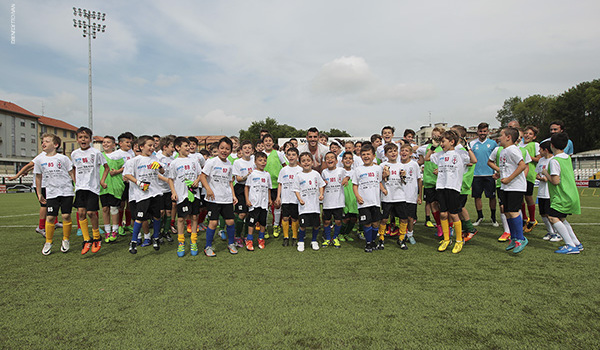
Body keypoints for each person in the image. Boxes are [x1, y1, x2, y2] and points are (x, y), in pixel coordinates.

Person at [425, 130, 476, 253]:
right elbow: (427, 158)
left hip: (453, 188)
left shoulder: (459, 154)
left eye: (443, 141)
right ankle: (447, 239)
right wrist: (433, 147)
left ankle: (459, 241)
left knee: (453, 214)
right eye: (440, 141)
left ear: (452, 142)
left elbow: (474, 160)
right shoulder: (439, 154)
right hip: (441, 187)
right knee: (443, 214)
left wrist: (467, 148)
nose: (441, 144)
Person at [123, 135, 167, 254]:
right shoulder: (134, 161)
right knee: (140, 217)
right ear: (141, 147)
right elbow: (127, 175)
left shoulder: (155, 158)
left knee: (157, 216)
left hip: (156, 192)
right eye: (149, 145)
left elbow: (162, 171)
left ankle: (156, 237)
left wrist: (160, 167)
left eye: (153, 145)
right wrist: (139, 183)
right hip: (142, 195)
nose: (152, 148)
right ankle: (133, 242)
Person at [541, 132, 583, 254]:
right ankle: (576, 243)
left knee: (553, 218)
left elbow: (555, 181)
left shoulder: (554, 161)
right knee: (562, 219)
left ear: (552, 145)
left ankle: (570, 245)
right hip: (570, 194)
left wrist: (545, 173)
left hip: (561, 195)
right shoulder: (567, 157)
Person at [34, 134, 75, 256]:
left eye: (47, 141)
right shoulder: (39, 160)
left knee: (66, 215)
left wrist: (77, 185)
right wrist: (39, 193)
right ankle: (48, 242)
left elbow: (71, 172)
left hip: (66, 191)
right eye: (42, 141)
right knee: (50, 217)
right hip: (51, 192)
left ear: (55, 145)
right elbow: (38, 177)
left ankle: (66, 239)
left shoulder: (63, 158)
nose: (43, 143)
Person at [71, 127, 109, 255]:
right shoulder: (74, 154)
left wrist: (102, 181)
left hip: (92, 187)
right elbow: (73, 169)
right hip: (80, 188)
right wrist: (75, 180)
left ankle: (97, 237)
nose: (83, 140)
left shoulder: (96, 153)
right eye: (81, 137)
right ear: (77, 139)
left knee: (91, 213)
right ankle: (86, 239)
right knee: (81, 213)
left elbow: (106, 167)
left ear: (90, 140)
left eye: (86, 137)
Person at [199, 137, 238, 257]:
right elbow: (202, 177)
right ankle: (208, 247)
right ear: (218, 149)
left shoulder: (230, 164)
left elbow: (230, 181)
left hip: (226, 198)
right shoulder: (211, 162)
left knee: (230, 221)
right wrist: (209, 190)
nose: (224, 151)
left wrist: (233, 195)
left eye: (227, 149)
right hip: (213, 199)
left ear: (231, 151)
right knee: (213, 223)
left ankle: (231, 243)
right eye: (222, 148)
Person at [494, 127, 528, 254]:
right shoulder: (503, 151)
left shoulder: (513, 150)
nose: (499, 137)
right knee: (507, 211)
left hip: (515, 186)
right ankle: (513, 237)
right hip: (506, 186)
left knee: (513, 212)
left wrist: (509, 178)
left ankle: (521, 238)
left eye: (501, 135)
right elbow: (507, 167)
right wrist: (500, 175)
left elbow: (522, 165)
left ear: (508, 137)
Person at [167, 137, 202, 257]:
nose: (188, 148)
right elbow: (170, 179)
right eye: (186, 146)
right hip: (182, 195)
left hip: (194, 194)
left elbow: (200, 174)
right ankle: (181, 243)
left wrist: (197, 181)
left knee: (194, 217)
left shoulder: (194, 161)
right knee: (181, 219)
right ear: (177, 147)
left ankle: (193, 241)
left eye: (189, 145)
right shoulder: (174, 163)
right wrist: (173, 192)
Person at [352, 143, 385, 253]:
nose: (366, 156)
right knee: (367, 223)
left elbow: (379, 181)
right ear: (361, 156)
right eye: (364, 154)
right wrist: (357, 196)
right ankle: (368, 243)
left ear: (373, 156)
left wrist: (383, 189)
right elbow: (355, 185)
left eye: (368, 154)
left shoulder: (378, 168)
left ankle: (372, 241)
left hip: (375, 201)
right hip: (363, 202)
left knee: (375, 223)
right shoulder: (358, 170)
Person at [294, 152, 325, 252]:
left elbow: (321, 185)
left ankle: (314, 240)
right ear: (299, 163)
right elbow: (296, 189)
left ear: (312, 162)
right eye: (303, 161)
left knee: (316, 225)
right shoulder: (298, 176)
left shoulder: (316, 174)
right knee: (303, 225)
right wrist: (300, 199)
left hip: (315, 206)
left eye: (308, 160)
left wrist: (321, 194)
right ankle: (301, 241)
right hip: (304, 207)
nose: (306, 163)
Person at [469, 122, 498, 227]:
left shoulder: (493, 144)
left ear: (488, 132)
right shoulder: (472, 144)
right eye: (481, 131)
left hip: (489, 174)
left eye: (484, 131)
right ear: (477, 131)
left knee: (492, 197)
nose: (482, 133)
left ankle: (493, 218)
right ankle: (479, 216)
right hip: (476, 174)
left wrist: (496, 172)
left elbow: (496, 158)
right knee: (477, 197)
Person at [99, 135, 125, 243]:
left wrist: (117, 172)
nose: (105, 144)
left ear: (114, 145)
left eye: (108, 142)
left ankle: (114, 230)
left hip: (115, 186)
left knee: (114, 209)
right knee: (105, 209)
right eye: (104, 142)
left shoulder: (118, 156)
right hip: (103, 186)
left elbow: (125, 166)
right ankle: (107, 231)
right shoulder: (100, 156)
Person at [244, 152, 272, 250]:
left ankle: (261, 239)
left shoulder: (267, 174)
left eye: (264, 160)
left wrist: (269, 199)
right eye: (260, 160)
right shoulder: (252, 174)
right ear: (255, 161)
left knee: (263, 222)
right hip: (254, 203)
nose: (263, 162)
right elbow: (246, 187)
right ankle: (249, 240)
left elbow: (268, 188)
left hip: (263, 204)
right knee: (252, 222)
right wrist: (247, 199)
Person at [535, 141, 561, 242]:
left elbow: (554, 177)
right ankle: (551, 232)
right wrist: (539, 177)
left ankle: (558, 233)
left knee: (551, 215)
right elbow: (537, 173)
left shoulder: (553, 160)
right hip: (541, 192)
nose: (539, 151)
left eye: (540, 149)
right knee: (543, 214)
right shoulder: (541, 160)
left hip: (550, 192)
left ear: (545, 150)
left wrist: (546, 178)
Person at [380, 143, 404, 250]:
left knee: (403, 218)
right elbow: (378, 181)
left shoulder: (401, 165)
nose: (393, 153)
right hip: (387, 197)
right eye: (390, 151)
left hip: (400, 196)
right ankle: (381, 238)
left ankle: (402, 238)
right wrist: (383, 177)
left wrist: (404, 177)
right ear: (385, 154)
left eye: (394, 151)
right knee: (384, 219)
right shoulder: (382, 166)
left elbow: (405, 181)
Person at [262, 134, 287, 238]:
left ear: (273, 143)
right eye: (266, 141)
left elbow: (285, 166)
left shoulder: (278, 153)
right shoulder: (259, 154)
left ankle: (276, 225)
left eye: (270, 141)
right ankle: (266, 226)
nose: (268, 142)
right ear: (262, 143)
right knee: (265, 206)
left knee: (277, 205)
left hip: (277, 185)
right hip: (263, 186)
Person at [321, 152, 348, 248]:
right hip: (327, 202)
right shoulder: (324, 172)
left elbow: (350, 174)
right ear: (325, 161)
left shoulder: (341, 170)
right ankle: (328, 238)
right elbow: (322, 185)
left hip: (338, 201)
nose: (330, 159)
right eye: (327, 158)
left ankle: (335, 237)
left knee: (338, 221)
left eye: (332, 157)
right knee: (327, 221)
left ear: (336, 161)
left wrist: (347, 178)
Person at [276, 147, 302, 246]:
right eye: (289, 155)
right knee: (285, 217)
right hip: (285, 198)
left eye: (293, 155)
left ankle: (295, 237)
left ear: (297, 157)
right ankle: (286, 237)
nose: (291, 157)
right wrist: (278, 197)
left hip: (296, 199)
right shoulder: (284, 170)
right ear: (286, 156)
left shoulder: (300, 170)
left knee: (295, 218)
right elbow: (280, 184)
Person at [398, 143, 422, 245]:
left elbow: (419, 180)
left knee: (410, 217)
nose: (404, 152)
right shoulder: (397, 164)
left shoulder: (414, 164)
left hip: (411, 195)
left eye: (406, 151)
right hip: (399, 195)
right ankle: (401, 234)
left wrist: (419, 195)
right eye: (402, 150)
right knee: (401, 217)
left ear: (411, 153)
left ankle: (410, 234)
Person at [232, 140, 255, 246]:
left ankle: (246, 235)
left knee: (249, 213)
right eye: (245, 148)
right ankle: (237, 235)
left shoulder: (255, 160)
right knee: (241, 213)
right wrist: (247, 175)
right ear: (241, 150)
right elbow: (238, 178)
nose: (247, 150)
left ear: (252, 150)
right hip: (241, 189)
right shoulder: (237, 162)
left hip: (252, 188)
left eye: (249, 148)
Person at [156, 135, 176, 243]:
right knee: (161, 212)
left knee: (169, 211)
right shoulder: (157, 158)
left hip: (168, 189)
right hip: (158, 189)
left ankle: (166, 232)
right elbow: (155, 174)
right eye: (172, 147)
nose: (173, 149)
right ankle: (157, 233)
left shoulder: (173, 159)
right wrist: (166, 180)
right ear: (165, 147)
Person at [521, 126, 540, 232]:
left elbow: (539, 159)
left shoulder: (535, 145)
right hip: (519, 174)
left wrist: (528, 157)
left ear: (534, 137)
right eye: (526, 133)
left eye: (530, 134)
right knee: (520, 198)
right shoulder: (519, 145)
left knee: (528, 197)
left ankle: (532, 219)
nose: (527, 135)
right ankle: (524, 218)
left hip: (529, 174)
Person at [339, 151, 358, 242]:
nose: (348, 160)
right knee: (345, 219)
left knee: (353, 218)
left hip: (353, 198)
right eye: (345, 158)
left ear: (353, 161)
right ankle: (340, 233)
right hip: (343, 197)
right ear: (342, 161)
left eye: (350, 158)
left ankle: (347, 233)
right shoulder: (340, 171)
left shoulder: (355, 172)